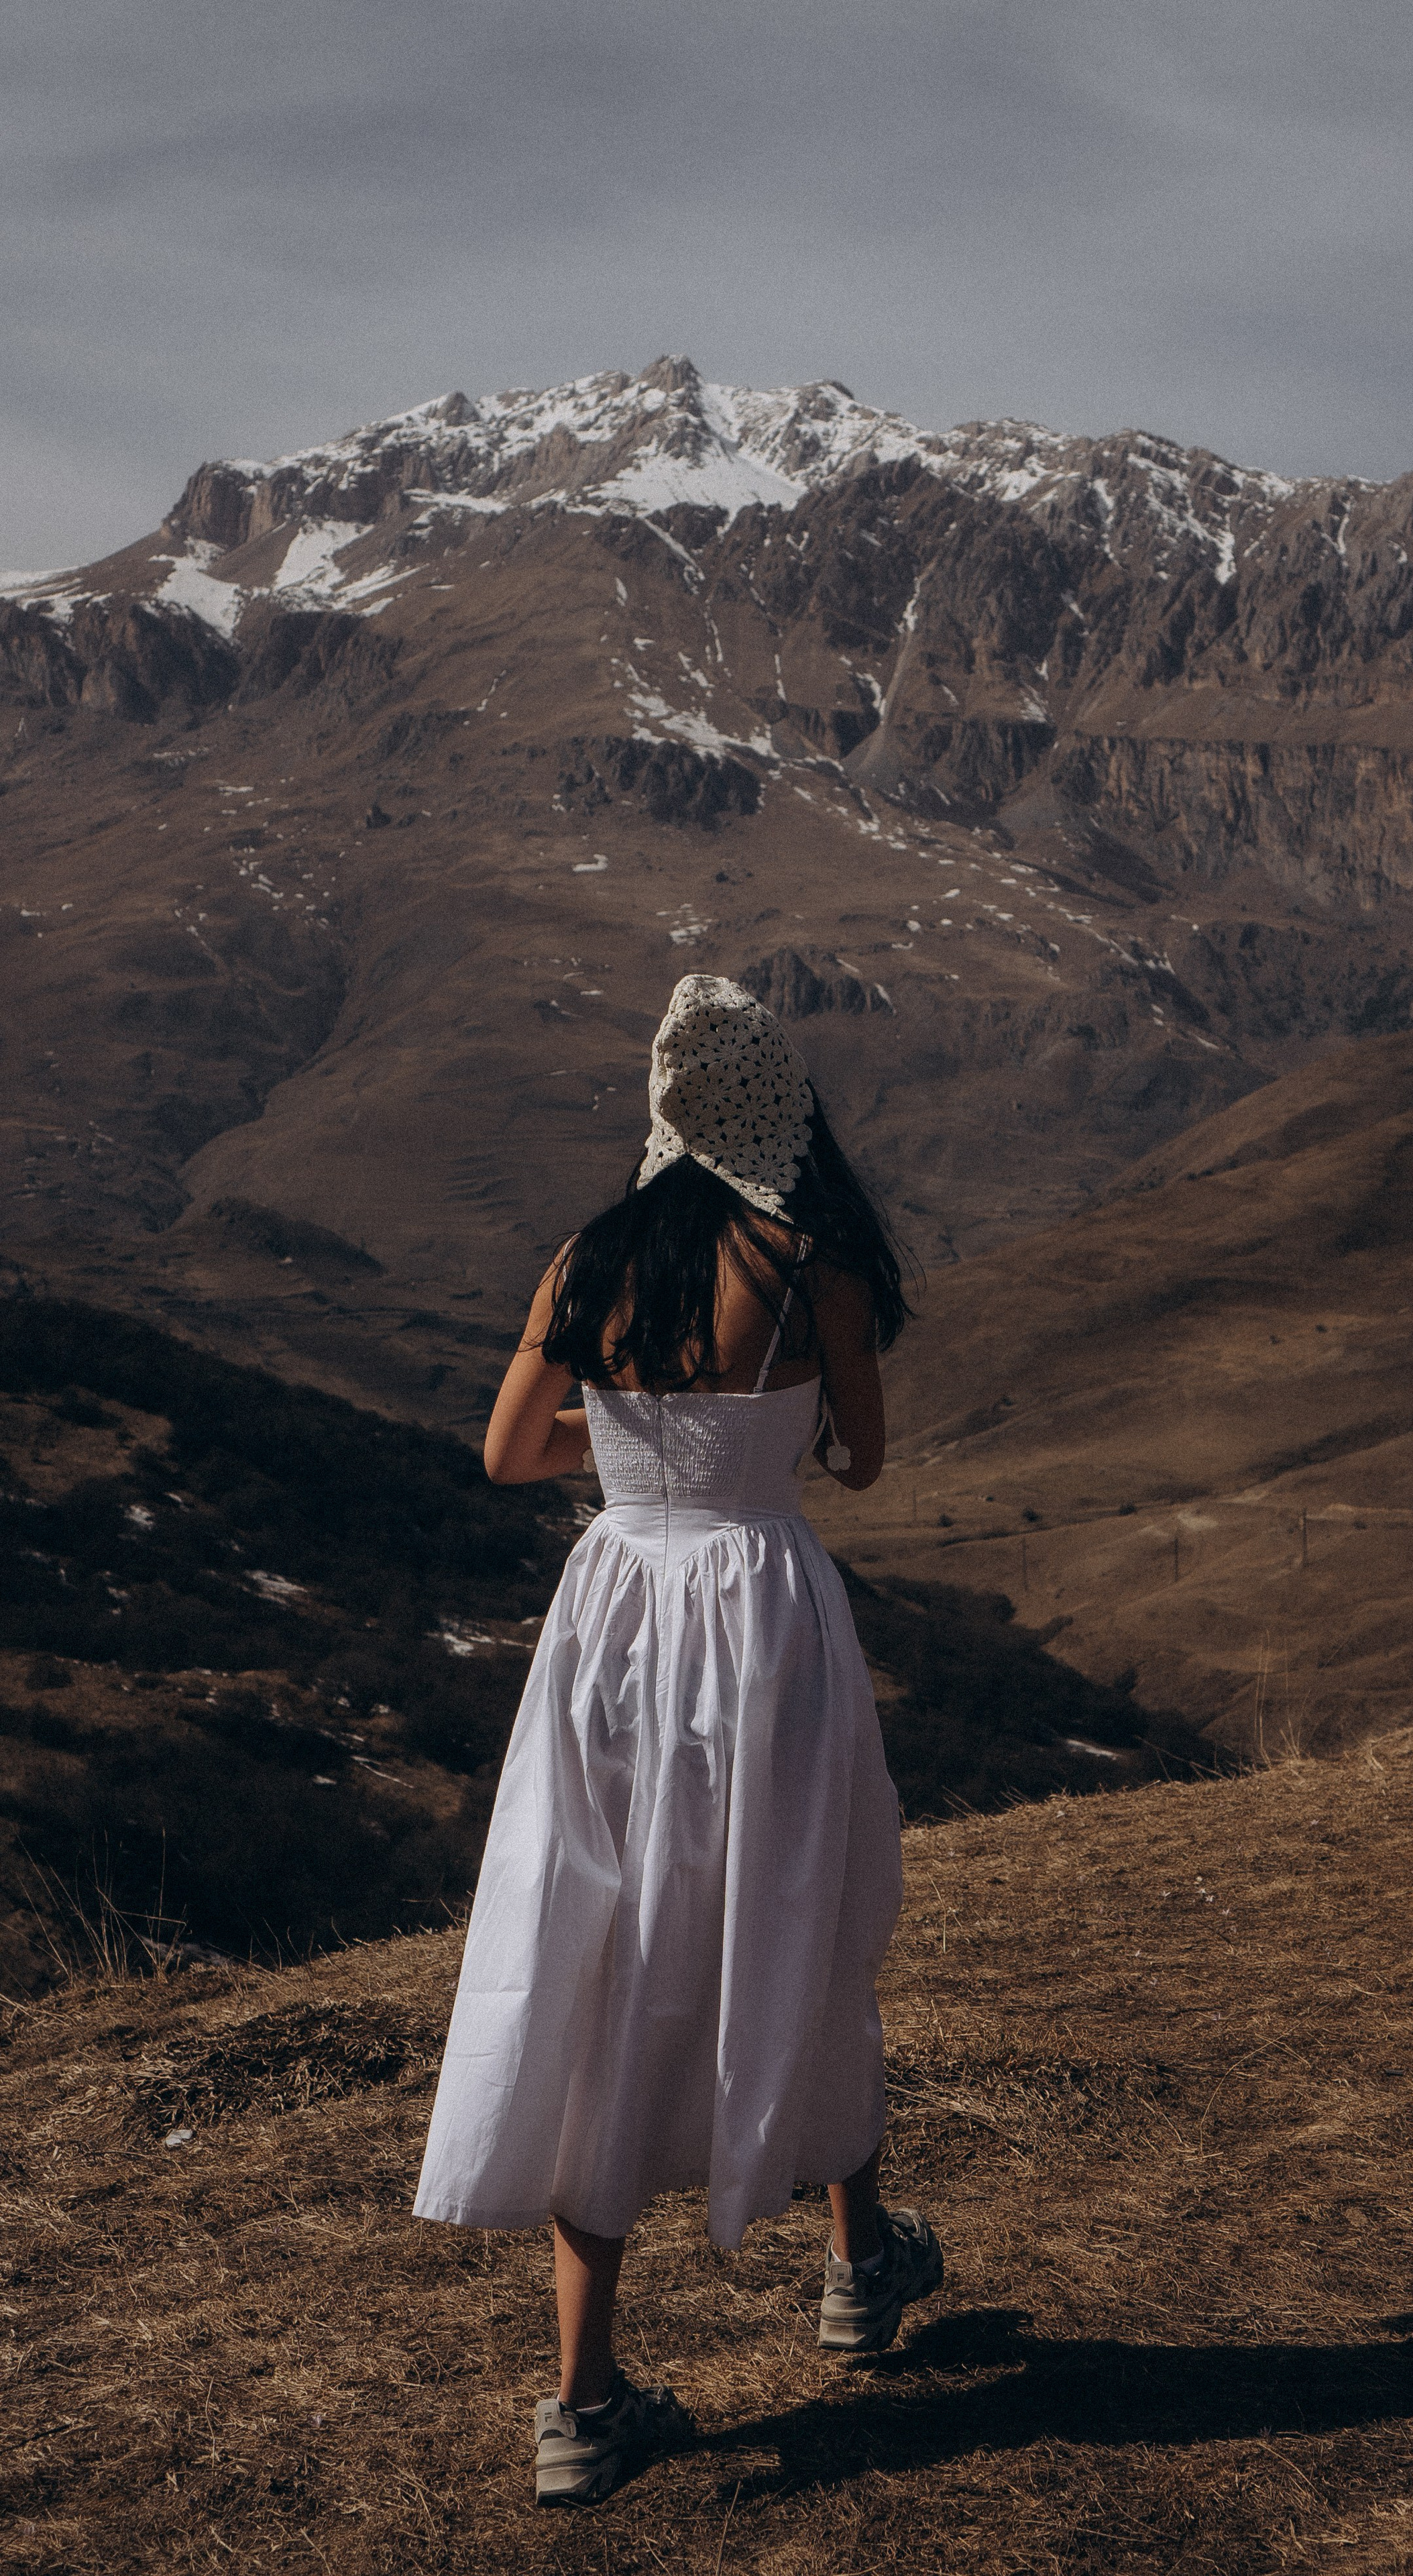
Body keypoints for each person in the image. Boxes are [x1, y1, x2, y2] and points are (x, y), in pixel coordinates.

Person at [414, 974, 943, 2505]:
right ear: (776, 1107)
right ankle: (856, 2266)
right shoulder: (811, 1264)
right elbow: (859, 1461)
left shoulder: (589, 1262)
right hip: (764, 1617)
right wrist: (740, 1434)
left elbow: (513, 1452)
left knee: (604, 1951)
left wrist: (625, 1430)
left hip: (614, 1623)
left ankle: (582, 2402)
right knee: (803, 1916)